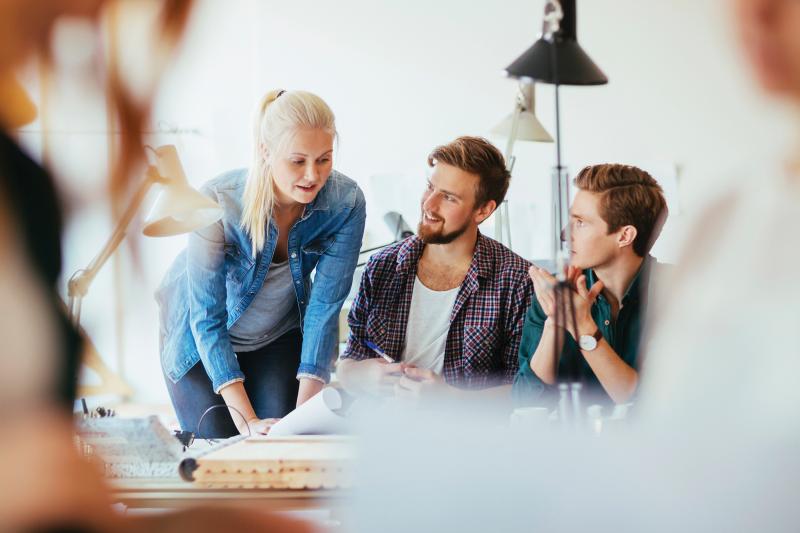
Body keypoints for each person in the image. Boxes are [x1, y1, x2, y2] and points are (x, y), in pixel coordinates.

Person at [158, 89, 366, 438]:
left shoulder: (346, 203)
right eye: (297, 161)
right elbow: (206, 318)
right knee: (219, 442)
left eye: (325, 159)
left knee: (286, 436)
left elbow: (324, 310)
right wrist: (248, 423)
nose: (313, 176)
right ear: (265, 152)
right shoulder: (218, 202)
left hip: (275, 334)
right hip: (198, 336)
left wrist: (303, 423)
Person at [337, 136, 532, 401]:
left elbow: (526, 391)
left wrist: (448, 400)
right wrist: (363, 376)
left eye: (449, 198)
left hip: (465, 437)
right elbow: (348, 363)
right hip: (381, 430)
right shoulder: (382, 267)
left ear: (483, 211)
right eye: (430, 187)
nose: (429, 205)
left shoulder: (517, 281)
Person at [514, 164, 668, 406]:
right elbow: (524, 405)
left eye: (581, 223)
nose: (565, 234)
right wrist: (555, 323)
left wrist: (585, 328)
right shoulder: (555, 294)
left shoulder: (680, 294)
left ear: (624, 236)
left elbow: (652, 406)